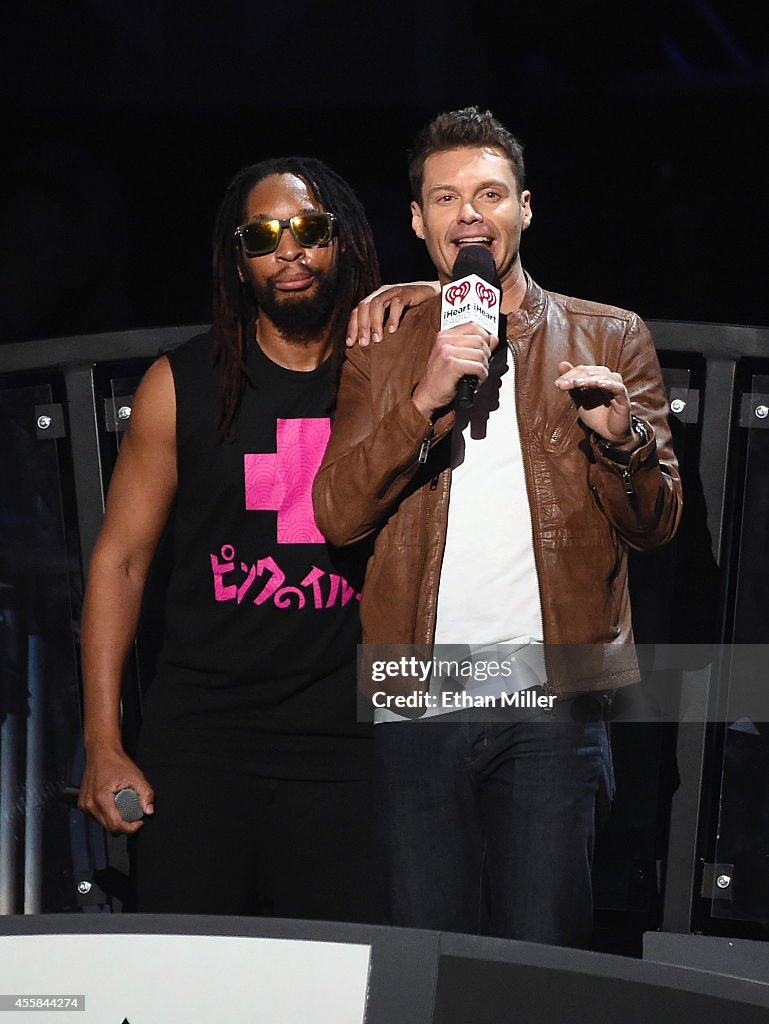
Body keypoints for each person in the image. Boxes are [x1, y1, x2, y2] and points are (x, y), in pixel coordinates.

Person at [313, 107, 682, 946]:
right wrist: (424, 397)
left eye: (489, 194)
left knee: (539, 960)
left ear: (524, 207)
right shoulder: (383, 341)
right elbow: (335, 516)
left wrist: (620, 439)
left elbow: (657, 525)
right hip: (418, 694)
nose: (468, 214)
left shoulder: (608, 334)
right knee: (424, 956)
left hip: (551, 695)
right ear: (417, 221)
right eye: (445, 199)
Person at [78, 156, 385, 921]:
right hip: (205, 743)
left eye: (310, 229)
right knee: (191, 985)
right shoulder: (181, 382)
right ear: (237, 259)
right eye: (263, 235)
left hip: (352, 750)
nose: (290, 250)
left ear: (341, 241)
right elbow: (119, 563)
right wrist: (103, 743)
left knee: (339, 991)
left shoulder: (389, 375)